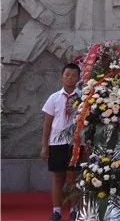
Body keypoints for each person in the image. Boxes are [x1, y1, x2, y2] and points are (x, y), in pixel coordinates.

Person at [41, 62, 81, 221]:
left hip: (76, 143)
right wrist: (45, 146)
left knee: (73, 177)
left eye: (74, 75)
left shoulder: (84, 97)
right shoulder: (54, 98)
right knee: (58, 177)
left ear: (78, 78)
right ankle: (56, 211)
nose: (70, 78)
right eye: (67, 75)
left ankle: (74, 210)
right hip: (56, 143)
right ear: (61, 77)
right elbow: (47, 123)